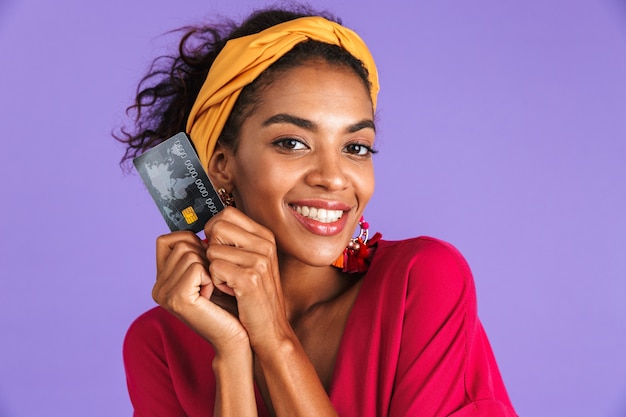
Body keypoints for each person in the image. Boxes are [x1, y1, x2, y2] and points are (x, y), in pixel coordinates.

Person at [116, 5, 518, 417]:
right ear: (222, 165)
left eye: (355, 147)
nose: (334, 177)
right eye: (292, 143)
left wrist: (273, 339)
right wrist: (233, 355)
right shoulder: (160, 344)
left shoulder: (423, 283)